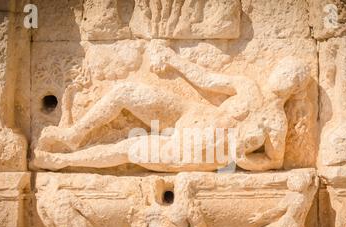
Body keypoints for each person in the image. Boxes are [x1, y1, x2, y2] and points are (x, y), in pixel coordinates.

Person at [34, 40, 310, 172]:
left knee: (128, 149)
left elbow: (276, 161)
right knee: (125, 91)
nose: (283, 76)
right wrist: (173, 59)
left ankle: (62, 162)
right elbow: (205, 79)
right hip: (189, 113)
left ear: (295, 88)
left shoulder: (276, 122)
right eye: (284, 70)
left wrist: (243, 159)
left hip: (200, 151)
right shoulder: (248, 85)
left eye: (292, 76)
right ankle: (74, 135)